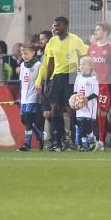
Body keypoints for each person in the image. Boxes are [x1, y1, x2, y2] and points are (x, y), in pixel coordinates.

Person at [35, 16, 89, 152]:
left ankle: (71, 140)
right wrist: (46, 82)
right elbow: (50, 63)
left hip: (72, 77)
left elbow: (85, 57)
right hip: (57, 78)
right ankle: (57, 141)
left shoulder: (75, 40)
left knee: (72, 110)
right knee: (55, 109)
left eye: (57, 26)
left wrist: (85, 76)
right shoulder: (51, 42)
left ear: (66, 26)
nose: (55, 28)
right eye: (54, 26)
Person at [88, 21, 111, 149]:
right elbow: (89, 65)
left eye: (98, 30)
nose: (95, 32)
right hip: (94, 84)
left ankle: (101, 142)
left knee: (101, 112)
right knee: (97, 113)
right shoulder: (91, 48)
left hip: (107, 85)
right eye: (95, 30)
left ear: (105, 32)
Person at [17, 43, 44, 151]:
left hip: (33, 95)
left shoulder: (38, 65)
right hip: (24, 97)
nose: (24, 56)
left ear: (33, 53)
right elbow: (21, 82)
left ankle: (27, 145)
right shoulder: (23, 65)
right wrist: (19, 97)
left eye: (26, 53)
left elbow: (41, 79)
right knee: (24, 120)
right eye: (23, 53)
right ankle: (39, 136)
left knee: (28, 118)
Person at [72, 56, 100, 152]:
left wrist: (86, 99)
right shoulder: (78, 78)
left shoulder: (93, 79)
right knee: (81, 125)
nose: (81, 66)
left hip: (89, 107)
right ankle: (85, 145)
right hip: (80, 108)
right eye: (80, 64)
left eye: (84, 64)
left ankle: (92, 140)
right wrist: (75, 101)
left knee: (86, 125)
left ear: (90, 66)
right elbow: (75, 91)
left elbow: (95, 94)